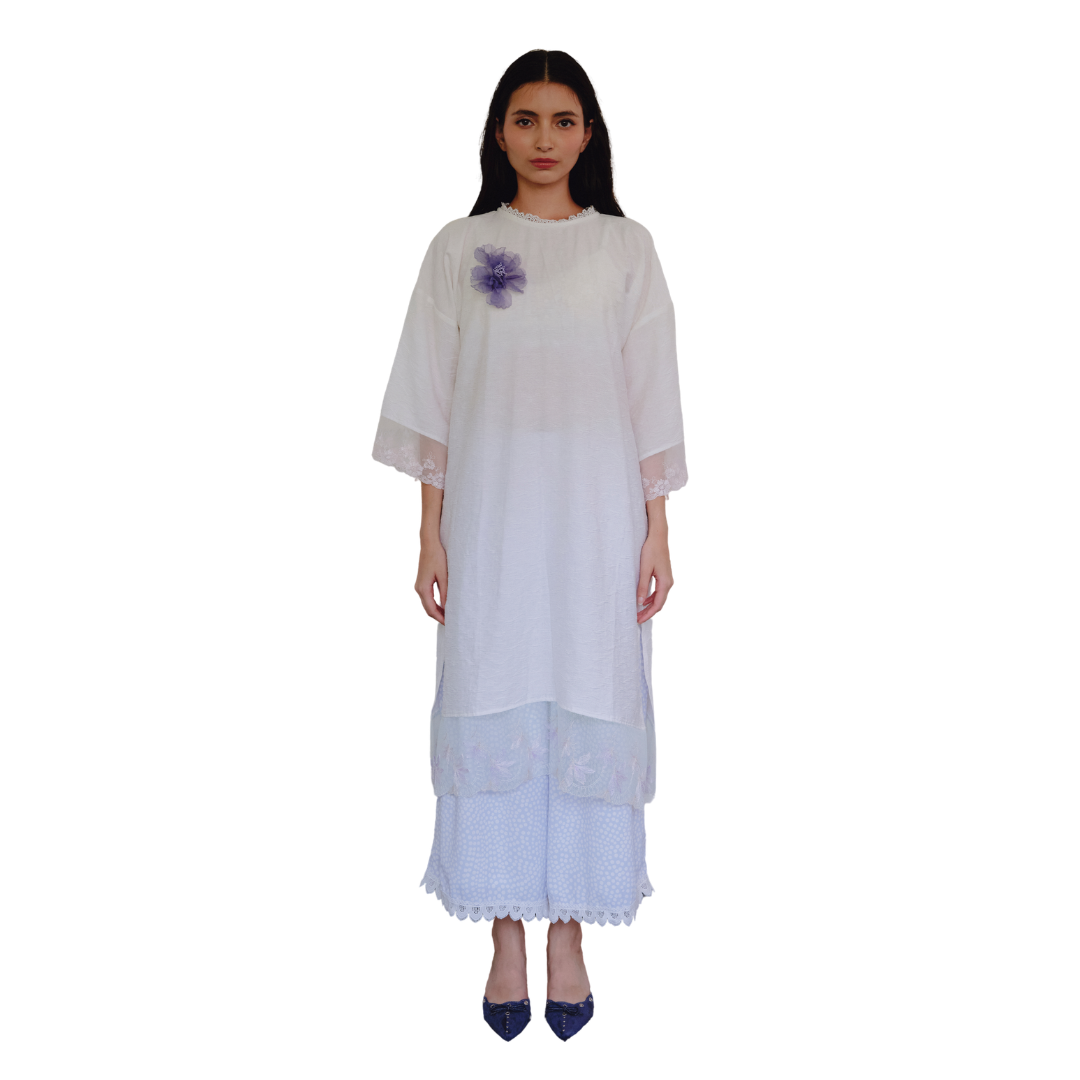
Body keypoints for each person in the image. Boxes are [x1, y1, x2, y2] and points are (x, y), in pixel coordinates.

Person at [372, 49, 687, 1041]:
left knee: (593, 684)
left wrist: (657, 528)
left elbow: (651, 393)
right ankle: (505, 931)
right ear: (497, 133)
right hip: (493, 516)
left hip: (597, 517)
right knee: (491, 681)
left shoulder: (625, 249)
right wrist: (429, 533)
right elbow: (431, 395)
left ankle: (571, 933)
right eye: (524, 119)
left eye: (562, 119)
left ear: (588, 134)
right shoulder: (462, 249)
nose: (543, 139)